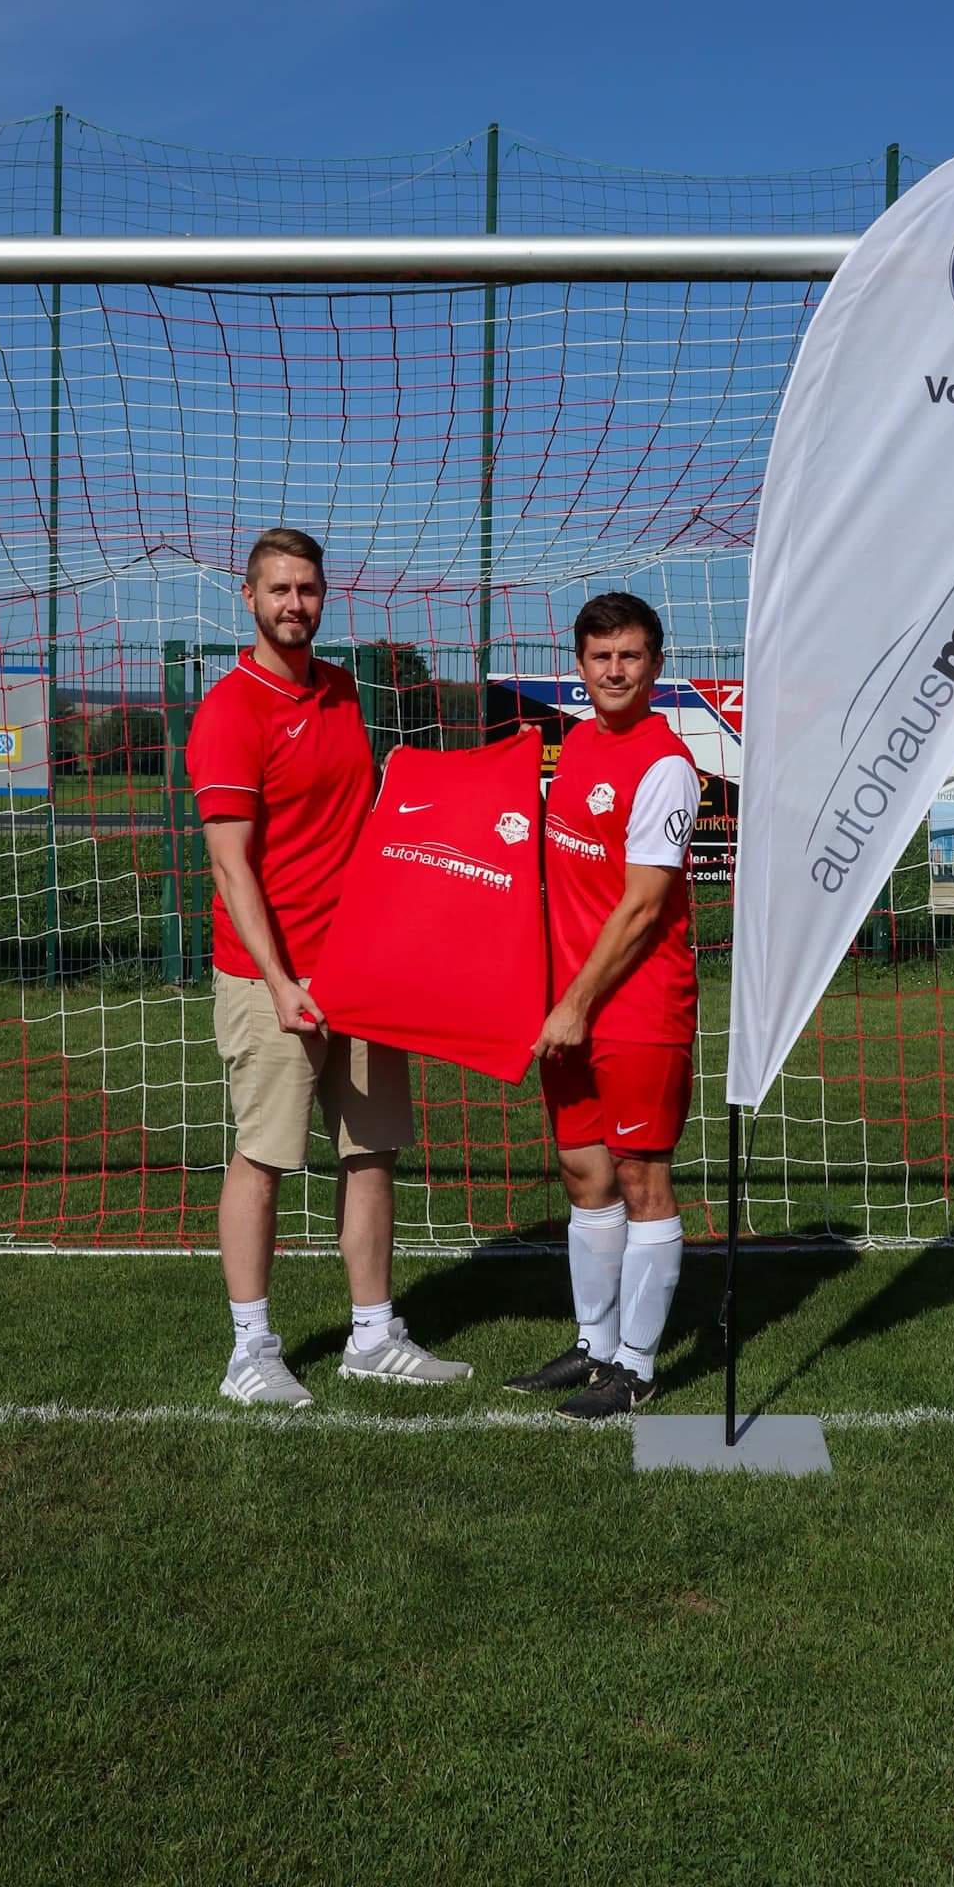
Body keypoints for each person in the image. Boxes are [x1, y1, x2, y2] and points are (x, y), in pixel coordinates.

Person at [187, 527, 471, 1404]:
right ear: (248, 597)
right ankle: (250, 1352)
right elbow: (230, 866)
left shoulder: (344, 690)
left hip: (360, 971)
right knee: (263, 1158)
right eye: (278, 589)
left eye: (307, 589)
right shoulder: (229, 711)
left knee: (372, 1151)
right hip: (272, 977)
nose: (294, 604)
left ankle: (373, 1335)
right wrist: (279, 982)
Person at [506, 592, 700, 1419]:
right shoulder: (577, 745)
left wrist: (577, 1003)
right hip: (569, 1004)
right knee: (583, 1172)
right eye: (600, 657)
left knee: (639, 1177)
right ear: (579, 667)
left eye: (629, 656)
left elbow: (643, 907)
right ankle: (594, 1347)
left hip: (636, 1004)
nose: (614, 671)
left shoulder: (666, 765)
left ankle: (638, 1368)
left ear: (655, 665)